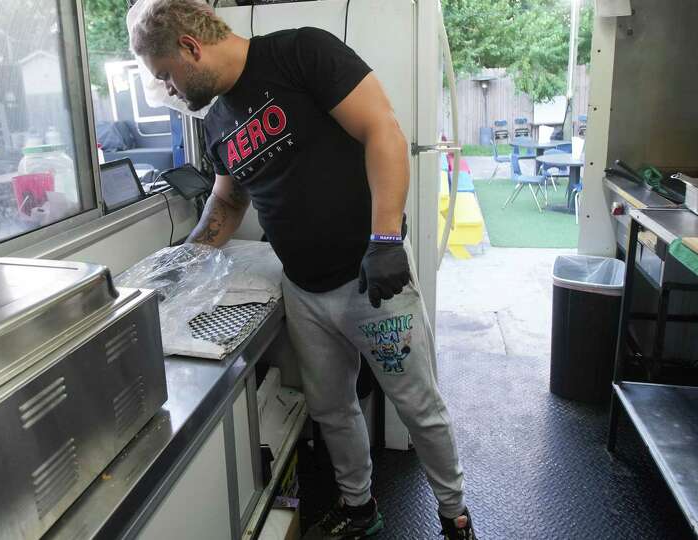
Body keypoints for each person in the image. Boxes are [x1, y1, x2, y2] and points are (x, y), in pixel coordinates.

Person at [127, 1, 476, 539]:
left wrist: (385, 239)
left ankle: (454, 515)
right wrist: (182, 263)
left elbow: (383, 130)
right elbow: (226, 202)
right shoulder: (218, 120)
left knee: (417, 407)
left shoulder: (300, 53)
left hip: (371, 279)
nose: (169, 90)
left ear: (190, 48)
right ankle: (360, 508)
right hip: (303, 289)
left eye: (165, 76)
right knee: (332, 410)